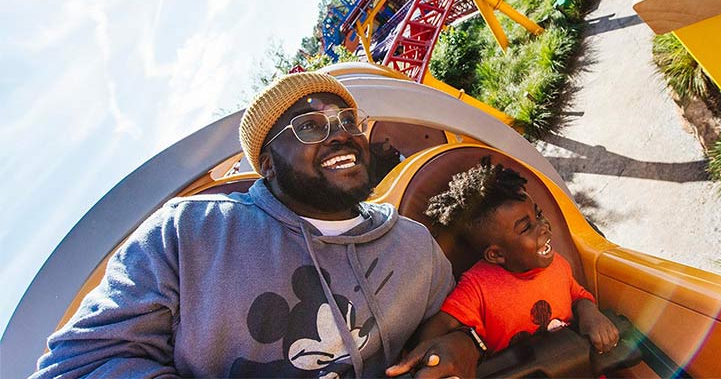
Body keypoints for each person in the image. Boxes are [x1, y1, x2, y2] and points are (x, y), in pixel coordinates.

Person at [32, 71, 475, 379]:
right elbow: (80, 364)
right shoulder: (189, 235)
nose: (340, 134)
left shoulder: (414, 244)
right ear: (267, 165)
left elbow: (451, 322)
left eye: (346, 122)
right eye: (309, 126)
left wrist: (464, 345)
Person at [391, 158, 619, 371]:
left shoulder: (556, 264)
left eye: (538, 215)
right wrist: (424, 356)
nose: (543, 227)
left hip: (575, 367)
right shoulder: (477, 287)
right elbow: (442, 324)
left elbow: (577, 296)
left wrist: (591, 314)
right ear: (496, 254)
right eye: (526, 228)